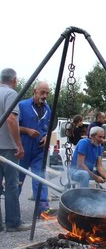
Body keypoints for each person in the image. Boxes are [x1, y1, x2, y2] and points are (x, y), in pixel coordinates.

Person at [18, 81, 56, 219]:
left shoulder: (47, 109)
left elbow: (49, 127)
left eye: (47, 93)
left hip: (39, 150)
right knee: (18, 178)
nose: (45, 95)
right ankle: (13, 207)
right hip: (23, 148)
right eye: (42, 92)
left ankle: (42, 208)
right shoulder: (22, 105)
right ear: (34, 91)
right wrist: (26, 130)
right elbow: (13, 126)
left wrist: (47, 137)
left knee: (39, 177)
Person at [0, 68, 31, 232]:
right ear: (14, 80)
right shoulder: (11, 94)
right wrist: (18, 145)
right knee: (12, 186)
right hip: (8, 149)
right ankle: (13, 223)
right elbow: (11, 120)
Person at [70, 126, 106, 192]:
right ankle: (83, 198)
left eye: (103, 137)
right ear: (92, 136)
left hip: (89, 172)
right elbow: (80, 165)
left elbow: (99, 166)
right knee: (85, 174)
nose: (102, 139)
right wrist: (95, 177)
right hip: (76, 172)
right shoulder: (83, 143)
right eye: (99, 137)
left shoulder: (98, 146)